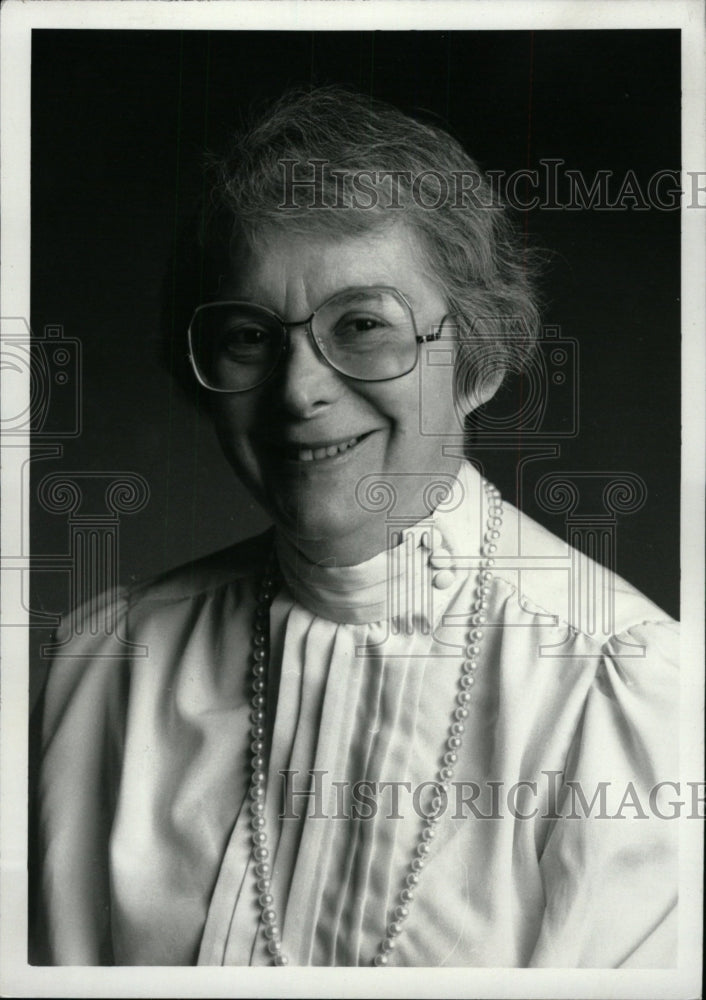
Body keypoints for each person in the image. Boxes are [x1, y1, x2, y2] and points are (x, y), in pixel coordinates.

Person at [34, 87, 678, 967]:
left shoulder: (627, 692)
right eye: (250, 336)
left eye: (365, 324)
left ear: (480, 359)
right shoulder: (104, 665)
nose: (299, 391)